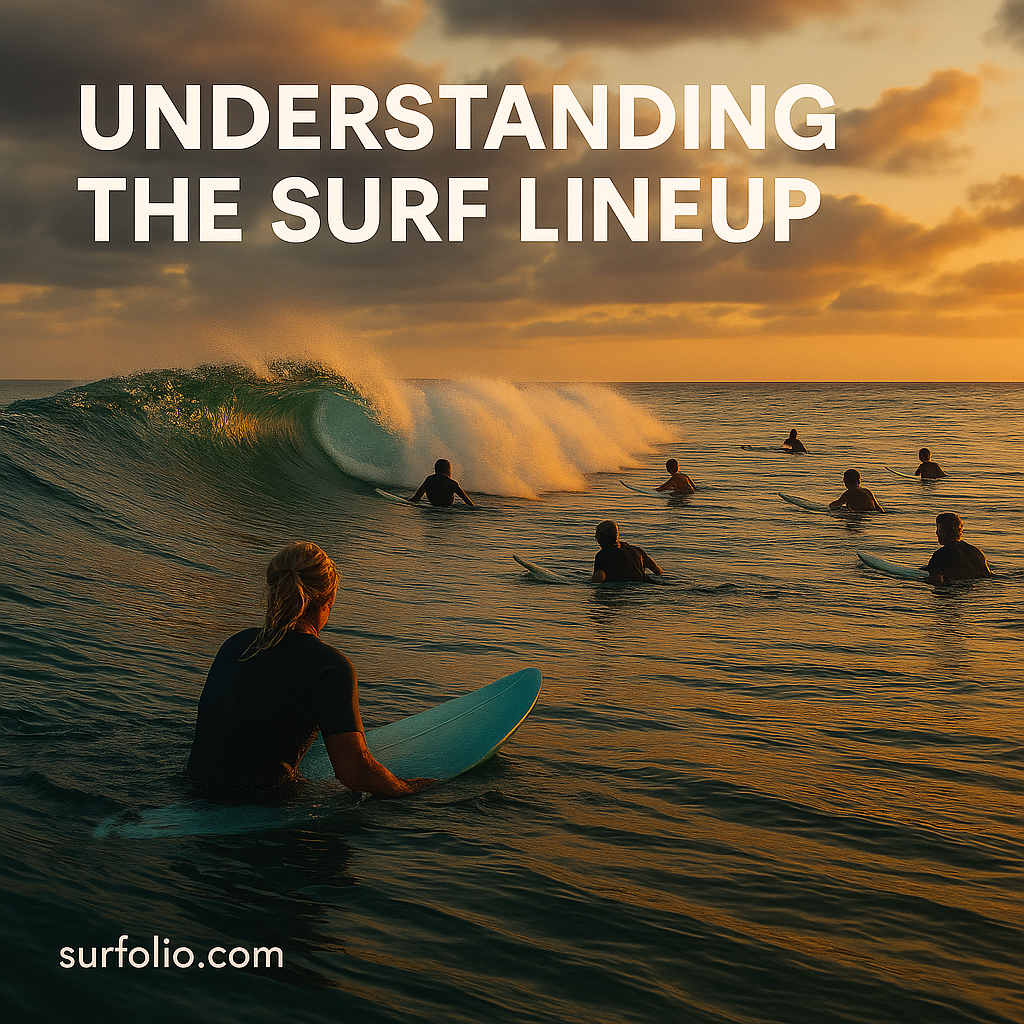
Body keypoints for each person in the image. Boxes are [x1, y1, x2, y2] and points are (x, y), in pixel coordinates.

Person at [187, 542, 434, 800]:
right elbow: (354, 772)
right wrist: (408, 788)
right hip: (261, 804)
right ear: (328, 599)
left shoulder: (236, 644)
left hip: (194, 790)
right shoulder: (330, 667)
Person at [923, 513, 991, 583]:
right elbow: (988, 575)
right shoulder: (976, 552)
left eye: (939, 529)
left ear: (945, 532)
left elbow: (937, 580)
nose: (936, 533)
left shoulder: (940, 555)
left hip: (954, 586)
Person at [590, 520, 663, 583]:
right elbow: (658, 571)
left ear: (601, 537)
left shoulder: (603, 555)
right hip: (644, 584)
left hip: (622, 588)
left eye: (597, 535)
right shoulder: (636, 550)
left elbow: (598, 578)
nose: (595, 537)